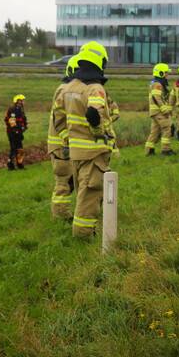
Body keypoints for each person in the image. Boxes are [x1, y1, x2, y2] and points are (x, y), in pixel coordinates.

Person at [63, 43, 114, 239]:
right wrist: (99, 131)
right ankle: (84, 235)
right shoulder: (95, 88)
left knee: (81, 194)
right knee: (90, 195)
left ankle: (80, 230)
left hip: (76, 151)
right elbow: (93, 112)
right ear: (99, 61)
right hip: (93, 152)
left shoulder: (70, 87)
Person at [46, 55, 78, 219]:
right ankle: (61, 215)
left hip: (63, 146)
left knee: (69, 181)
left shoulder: (65, 89)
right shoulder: (64, 90)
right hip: (61, 147)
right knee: (63, 183)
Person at [145, 63, 174, 155]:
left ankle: (149, 150)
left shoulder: (155, 83)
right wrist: (164, 109)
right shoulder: (157, 84)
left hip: (155, 112)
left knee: (155, 132)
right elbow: (156, 98)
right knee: (167, 129)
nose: (167, 75)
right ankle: (166, 150)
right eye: (166, 73)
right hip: (159, 112)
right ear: (161, 73)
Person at [4, 94, 28, 170]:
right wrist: (16, 131)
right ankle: (10, 164)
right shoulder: (13, 109)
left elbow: (23, 120)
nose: (24, 102)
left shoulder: (20, 109)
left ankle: (19, 164)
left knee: (20, 149)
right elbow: (11, 121)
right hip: (12, 132)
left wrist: (24, 127)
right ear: (18, 101)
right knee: (14, 149)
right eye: (22, 100)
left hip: (18, 132)